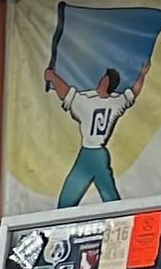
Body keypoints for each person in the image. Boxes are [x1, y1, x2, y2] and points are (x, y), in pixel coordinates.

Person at [45, 62, 148, 208]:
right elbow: (134, 92)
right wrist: (143, 74)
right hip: (95, 153)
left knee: (72, 198)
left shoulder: (88, 103)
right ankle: (119, 217)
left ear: (106, 82)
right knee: (107, 196)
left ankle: (119, 218)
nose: (100, 81)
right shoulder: (116, 103)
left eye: (103, 79)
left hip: (90, 153)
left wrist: (53, 77)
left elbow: (67, 93)